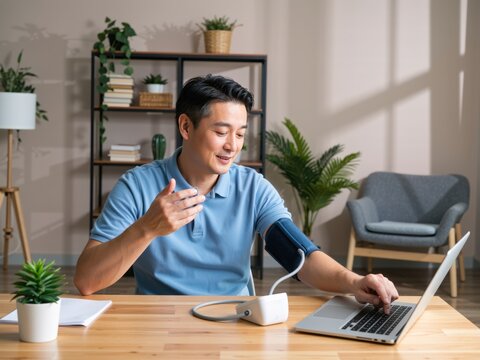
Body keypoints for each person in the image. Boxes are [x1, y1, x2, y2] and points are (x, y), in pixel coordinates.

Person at [75, 74, 398, 313]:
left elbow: (300, 256)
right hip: (158, 319)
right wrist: (147, 228)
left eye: (240, 134)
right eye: (220, 132)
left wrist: (354, 282)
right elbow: (87, 281)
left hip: (235, 317)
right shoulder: (137, 185)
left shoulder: (252, 187)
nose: (233, 146)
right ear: (186, 128)